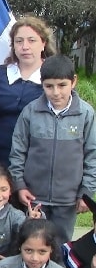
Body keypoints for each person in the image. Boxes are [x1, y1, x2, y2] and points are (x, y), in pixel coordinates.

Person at [9, 54, 96, 244]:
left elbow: (93, 157)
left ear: (73, 82)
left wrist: (86, 193)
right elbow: (17, 153)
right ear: (42, 84)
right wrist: (20, 185)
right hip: (35, 197)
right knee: (34, 243)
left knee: (61, 246)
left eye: (62, 85)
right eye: (49, 86)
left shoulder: (86, 114)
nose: (56, 92)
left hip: (68, 200)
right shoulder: (31, 112)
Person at [0, 16, 56, 167]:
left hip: (38, 161)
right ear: (13, 46)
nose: (25, 46)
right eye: (19, 41)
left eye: (31, 40)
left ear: (43, 43)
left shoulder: (53, 78)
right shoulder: (0, 74)